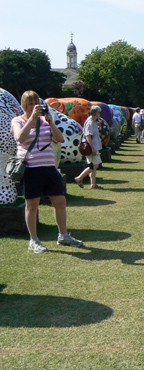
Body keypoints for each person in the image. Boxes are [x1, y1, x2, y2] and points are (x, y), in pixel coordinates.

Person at [11, 90, 83, 253]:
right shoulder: (18, 120)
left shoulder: (45, 121)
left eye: (36, 103)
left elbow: (60, 139)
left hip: (49, 168)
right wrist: (31, 119)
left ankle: (63, 236)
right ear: (24, 104)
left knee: (60, 202)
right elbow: (20, 138)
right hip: (30, 169)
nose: (33, 106)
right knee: (32, 205)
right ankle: (34, 240)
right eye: (30, 103)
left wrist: (50, 123)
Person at [74, 106, 104, 189]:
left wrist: (98, 127)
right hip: (90, 147)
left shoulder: (93, 121)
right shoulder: (90, 122)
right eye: (99, 112)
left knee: (93, 165)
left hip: (92, 147)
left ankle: (93, 184)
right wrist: (93, 148)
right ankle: (79, 177)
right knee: (95, 165)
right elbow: (88, 136)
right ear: (95, 113)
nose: (100, 114)